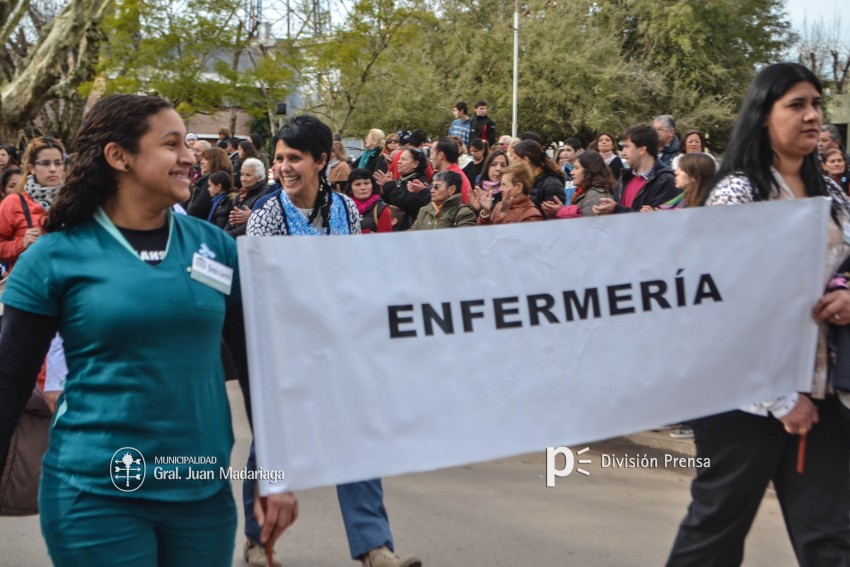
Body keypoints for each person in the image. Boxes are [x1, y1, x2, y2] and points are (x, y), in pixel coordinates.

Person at [0, 94, 298, 566]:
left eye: (188, 144)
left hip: (202, 493)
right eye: (171, 143)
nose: (189, 156)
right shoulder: (55, 257)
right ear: (119, 156)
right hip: (95, 494)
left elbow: (259, 367)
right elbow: (7, 383)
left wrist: (277, 475)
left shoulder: (217, 249)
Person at [666, 62, 850, 567]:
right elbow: (726, 307)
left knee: (833, 538)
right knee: (715, 534)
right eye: (797, 105)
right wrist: (782, 398)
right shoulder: (739, 194)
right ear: (763, 116)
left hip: (821, 394)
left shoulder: (831, 195)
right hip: (741, 400)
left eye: (816, 104)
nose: (813, 116)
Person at [245, 114, 421, 567]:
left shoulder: (344, 209)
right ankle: (256, 541)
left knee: (357, 440)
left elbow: (356, 271)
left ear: (322, 161)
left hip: (340, 347)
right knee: (269, 449)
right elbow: (263, 290)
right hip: (286, 352)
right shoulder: (266, 217)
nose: (284, 166)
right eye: (279, 158)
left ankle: (375, 548)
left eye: (295, 158)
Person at [0, 137, 65, 273]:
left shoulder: (73, 199)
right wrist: (22, 244)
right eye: (45, 163)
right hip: (28, 286)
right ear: (32, 168)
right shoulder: (13, 202)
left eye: (58, 163)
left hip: (68, 284)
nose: (53, 169)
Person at [592, 123, 680, 215]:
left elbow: (658, 224)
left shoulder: (666, 182)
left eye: (626, 147)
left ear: (642, 149)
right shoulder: (624, 179)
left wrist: (616, 209)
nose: (623, 153)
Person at [541, 150, 616, 219]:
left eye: (576, 168)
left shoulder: (596, 195)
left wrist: (561, 211)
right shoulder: (583, 193)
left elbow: (585, 227)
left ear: (589, 171)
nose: (571, 173)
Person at [374, 148, 430, 231]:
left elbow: (406, 203)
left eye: (403, 159)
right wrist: (383, 189)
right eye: (399, 159)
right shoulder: (401, 180)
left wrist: (388, 185)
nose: (398, 162)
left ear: (415, 164)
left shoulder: (418, 183)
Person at [473, 162, 542, 224]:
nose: (500, 189)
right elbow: (485, 234)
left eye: (504, 185)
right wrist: (486, 212)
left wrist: (503, 214)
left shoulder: (532, 215)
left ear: (518, 187)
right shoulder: (499, 205)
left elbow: (507, 236)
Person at [510, 139, 566, 216]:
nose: (512, 162)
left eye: (515, 158)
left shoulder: (552, 184)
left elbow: (551, 221)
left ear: (526, 160)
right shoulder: (524, 182)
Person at [409, 170, 476, 230]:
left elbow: (463, 241)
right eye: (431, 186)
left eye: (436, 187)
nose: (431, 190)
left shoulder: (464, 214)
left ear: (451, 189)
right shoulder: (424, 211)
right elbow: (412, 235)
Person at [185, 147, 233, 220]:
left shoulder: (211, 181)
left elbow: (199, 207)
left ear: (215, 162)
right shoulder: (209, 179)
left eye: (206, 159)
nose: (202, 161)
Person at [225, 157, 267, 238]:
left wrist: (227, 235)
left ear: (259, 177)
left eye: (248, 175)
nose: (243, 179)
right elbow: (231, 220)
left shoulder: (263, 196)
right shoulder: (240, 195)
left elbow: (247, 226)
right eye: (242, 174)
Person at [347, 168, 392, 233]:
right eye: (357, 184)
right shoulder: (344, 207)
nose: (363, 188)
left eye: (366, 183)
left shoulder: (381, 209)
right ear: (350, 188)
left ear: (372, 186)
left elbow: (385, 239)